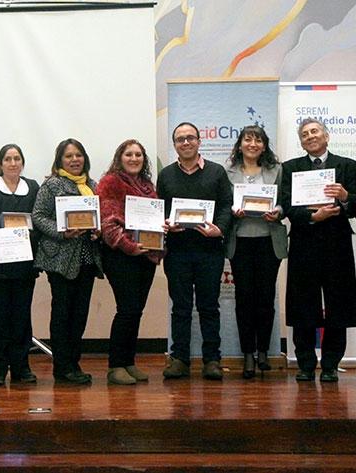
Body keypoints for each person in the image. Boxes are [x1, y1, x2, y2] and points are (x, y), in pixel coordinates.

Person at [281, 117, 356, 383]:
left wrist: (345, 197)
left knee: (339, 304)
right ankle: (305, 364)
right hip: (304, 243)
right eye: (305, 134)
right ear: (301, 142)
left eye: (315, 131)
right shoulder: (291, 168)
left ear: (326, 136)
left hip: (337, 244)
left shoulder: (348, 166)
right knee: (303, 303)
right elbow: (286, 207)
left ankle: (329, 365)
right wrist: (314, 217)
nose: (310, 136)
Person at [157, 122, 233, 380]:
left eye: (190, 138)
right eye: (180, 139)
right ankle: (179, 359)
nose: (186, 142)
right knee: (180, 307)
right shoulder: (166, 175)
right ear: (175, 144)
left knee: (209, 307)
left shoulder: (216, 172)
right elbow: (160, 208)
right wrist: (167, 223)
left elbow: (225, 206)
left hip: (209, 250)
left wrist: (219, 229)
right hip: (177, 252)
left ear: (199, 141)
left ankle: (212, 359)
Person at [32, 138, 103, 384]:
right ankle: (62, 368)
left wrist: (97, 230)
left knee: (80, 314)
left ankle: (74, 363)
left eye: (78, 155)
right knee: (62, 315)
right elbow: (38, 217)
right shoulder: (51, 185)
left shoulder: (93, 185)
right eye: (69, 156)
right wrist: (62, 231)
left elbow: (98, 218)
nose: (75, 160)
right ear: (60, 160)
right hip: (60, 260)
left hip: (87, 259)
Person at [96, 139, 163, 385]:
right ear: (119, 157)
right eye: (129, 154)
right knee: (127, 310)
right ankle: (115, 366)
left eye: (138, 155)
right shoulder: (109, 182)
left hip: (146, 255)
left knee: (136, 311)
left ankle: (129, 362)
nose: (134, 158)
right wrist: (129, 246)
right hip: (120, 256)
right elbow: (107, 223)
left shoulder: (147, 186)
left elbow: (154, 220)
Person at [225, 125, 287, 378]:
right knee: (244, 299)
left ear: (264, 145)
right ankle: (247, 354)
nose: (252, 144)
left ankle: (264, 352)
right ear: (240, 144)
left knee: (265, 299)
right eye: (248, 139)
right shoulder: (226, 172)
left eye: (258, 140)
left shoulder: (277, 170)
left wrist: (279, 211)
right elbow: (221, 203)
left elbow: (286, 200)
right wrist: (231, 210)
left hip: (268, 241)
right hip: (240, 240)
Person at [0, 144, 40, 386]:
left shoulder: (33, 187)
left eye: (17, 159)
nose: (13, 163)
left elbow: (39, 219)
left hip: (24, 265)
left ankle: (21, 367)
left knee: (22, 318)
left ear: (22, 163)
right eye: (8, 159)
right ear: (0, 163)